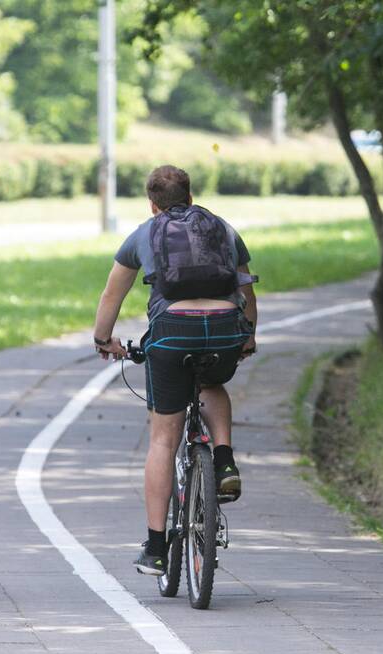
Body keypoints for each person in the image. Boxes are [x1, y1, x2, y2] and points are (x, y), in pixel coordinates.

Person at [92, 165, 257, 576]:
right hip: (223, 330)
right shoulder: (223, 229)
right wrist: (248, 336)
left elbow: (112, 294)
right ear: (190, 193)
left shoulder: (144, 235)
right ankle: (223, 462)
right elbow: (246, 290)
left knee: (163, 440)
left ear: (152, 204)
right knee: (212, 382)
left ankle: (156, 548)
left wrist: (103, 340)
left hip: (172, 333)